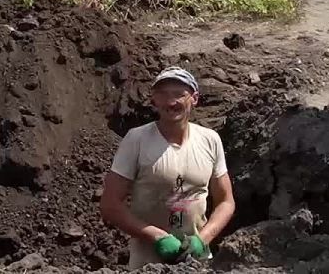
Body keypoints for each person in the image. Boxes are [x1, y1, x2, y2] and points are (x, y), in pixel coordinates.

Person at [100, 66, 236, 269]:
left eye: (179, 94)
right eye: (163, 94)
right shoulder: (137, 140)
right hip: (147, 265)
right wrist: (156, 236)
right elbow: (110, 204)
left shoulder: (210, 140)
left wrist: (202, 240)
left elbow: (226, 201)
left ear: (194, 99)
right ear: (154, 100)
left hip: (196, 263)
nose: (171, 102)